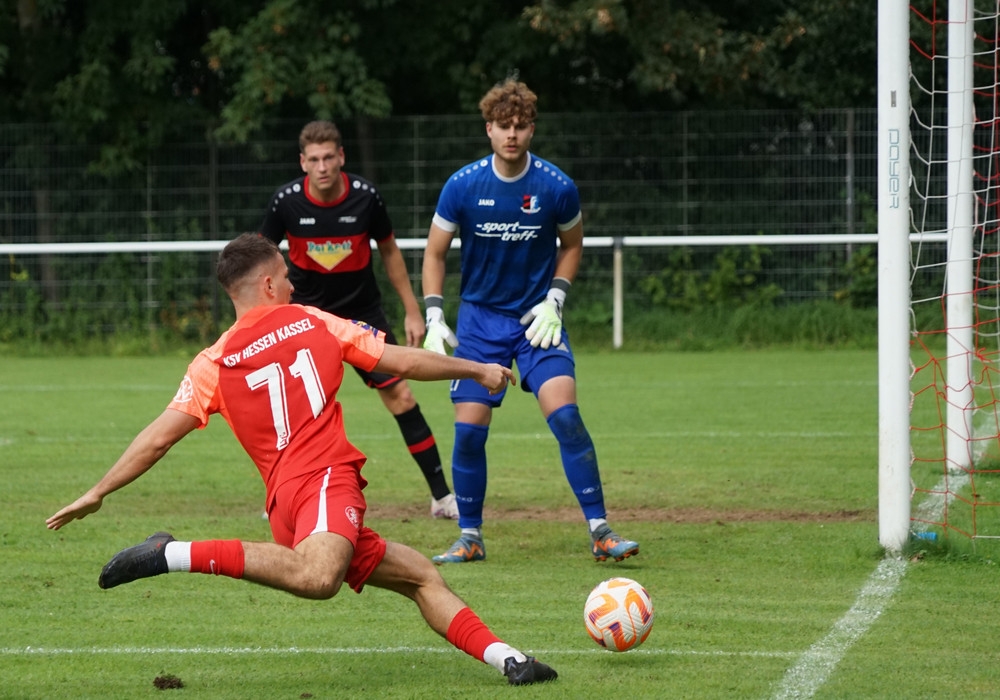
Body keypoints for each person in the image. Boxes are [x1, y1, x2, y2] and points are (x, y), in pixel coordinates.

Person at [45, 234, 557, 687]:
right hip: (327, 481)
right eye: (287, 276)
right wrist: (476, 369)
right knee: (318, 578)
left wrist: (98, 491)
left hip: (287, 508)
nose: (293, 285)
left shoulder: (212, 362)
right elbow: (399, 360)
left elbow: (157, 438)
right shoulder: (314, 320)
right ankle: (172, 553)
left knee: (420, 575)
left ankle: (510, 660)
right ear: (268, 284)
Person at [421, 78, 640, 565]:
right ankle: (470, 537)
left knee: (566, 417)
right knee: (469, 432)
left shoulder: (556, 187)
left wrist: (555, 300)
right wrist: (434, 313)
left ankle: (601, 531)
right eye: (503, 126)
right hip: (479, 324)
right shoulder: (462, 185)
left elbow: (573, 245)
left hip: (536, 323)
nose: (512, 134)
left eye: (520, 126)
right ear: (488, 129)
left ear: (532, 130)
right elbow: (434, 253)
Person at [259, 120, 458, 520]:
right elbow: (261, 259)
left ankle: (441, 497)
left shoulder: (366, 197)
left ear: (341, 157)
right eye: (314, 159)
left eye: (328, 157)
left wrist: (412, 309)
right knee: (294, 411)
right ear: (302, 162)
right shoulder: (285, 202)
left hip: (362, 315)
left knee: (402, 397)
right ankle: (283, 497)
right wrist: (266, 314)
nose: (322, 167)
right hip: (306, 319)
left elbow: (390, 252)